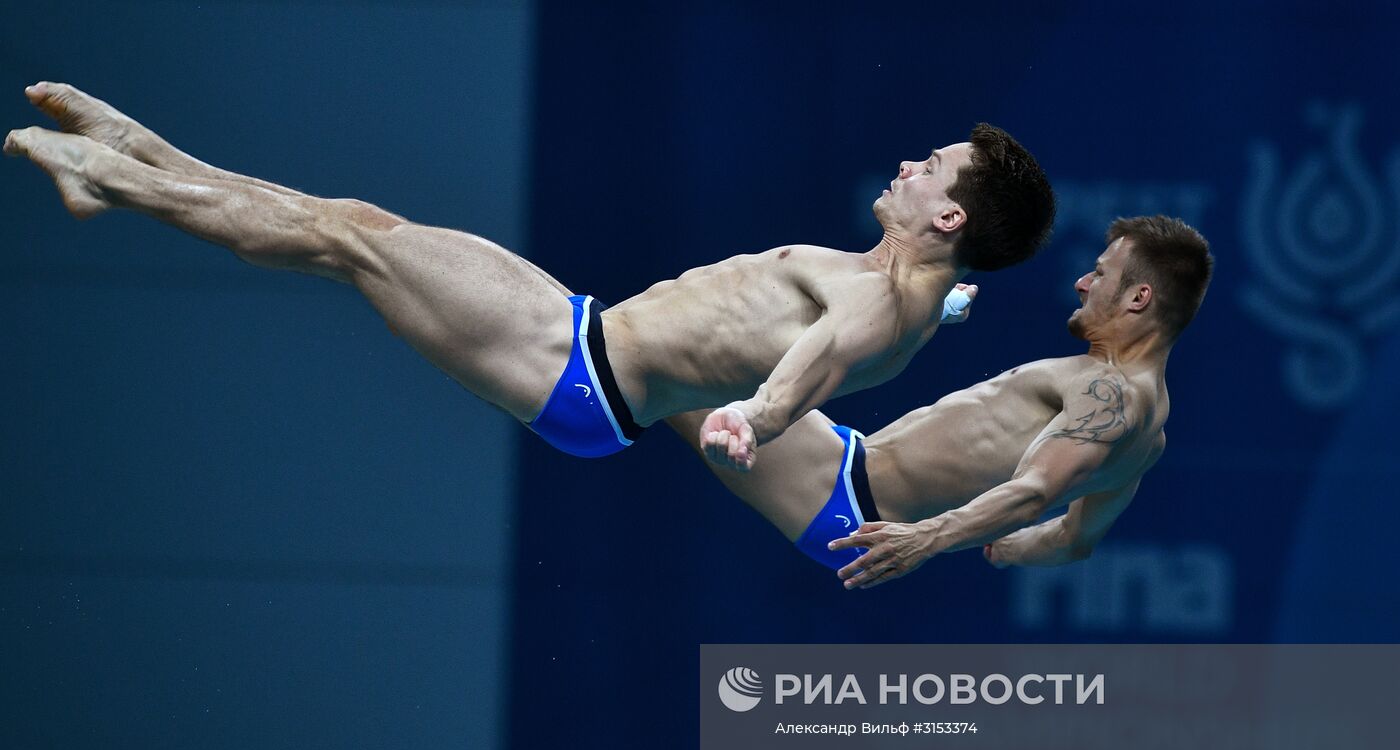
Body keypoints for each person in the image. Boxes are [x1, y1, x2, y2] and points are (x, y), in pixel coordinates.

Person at [5, 83, 1053, 470]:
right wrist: (963, 295)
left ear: (948, 217)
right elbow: (903, 315)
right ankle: (146, 160)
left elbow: (822, 355)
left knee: (347, 240)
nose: (911, 166)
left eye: (932, 170)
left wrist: (760, 419)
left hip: (574, 364)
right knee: (360, 225)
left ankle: (115, 175)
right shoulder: (917, 289)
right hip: (588, 360)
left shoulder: (878, 293)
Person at [668, 216, 1213, 589]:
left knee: (667, 354)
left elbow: (1035, 489)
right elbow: (1073, 539)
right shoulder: (1148, 436)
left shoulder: (1109, 393)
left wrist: (926, 538)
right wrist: (1006, 547)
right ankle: (923, 313)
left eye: (1100, 273)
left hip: (844, 496)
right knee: (705, 341)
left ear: (1140, 298)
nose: (1081, 282)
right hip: (852, 478)